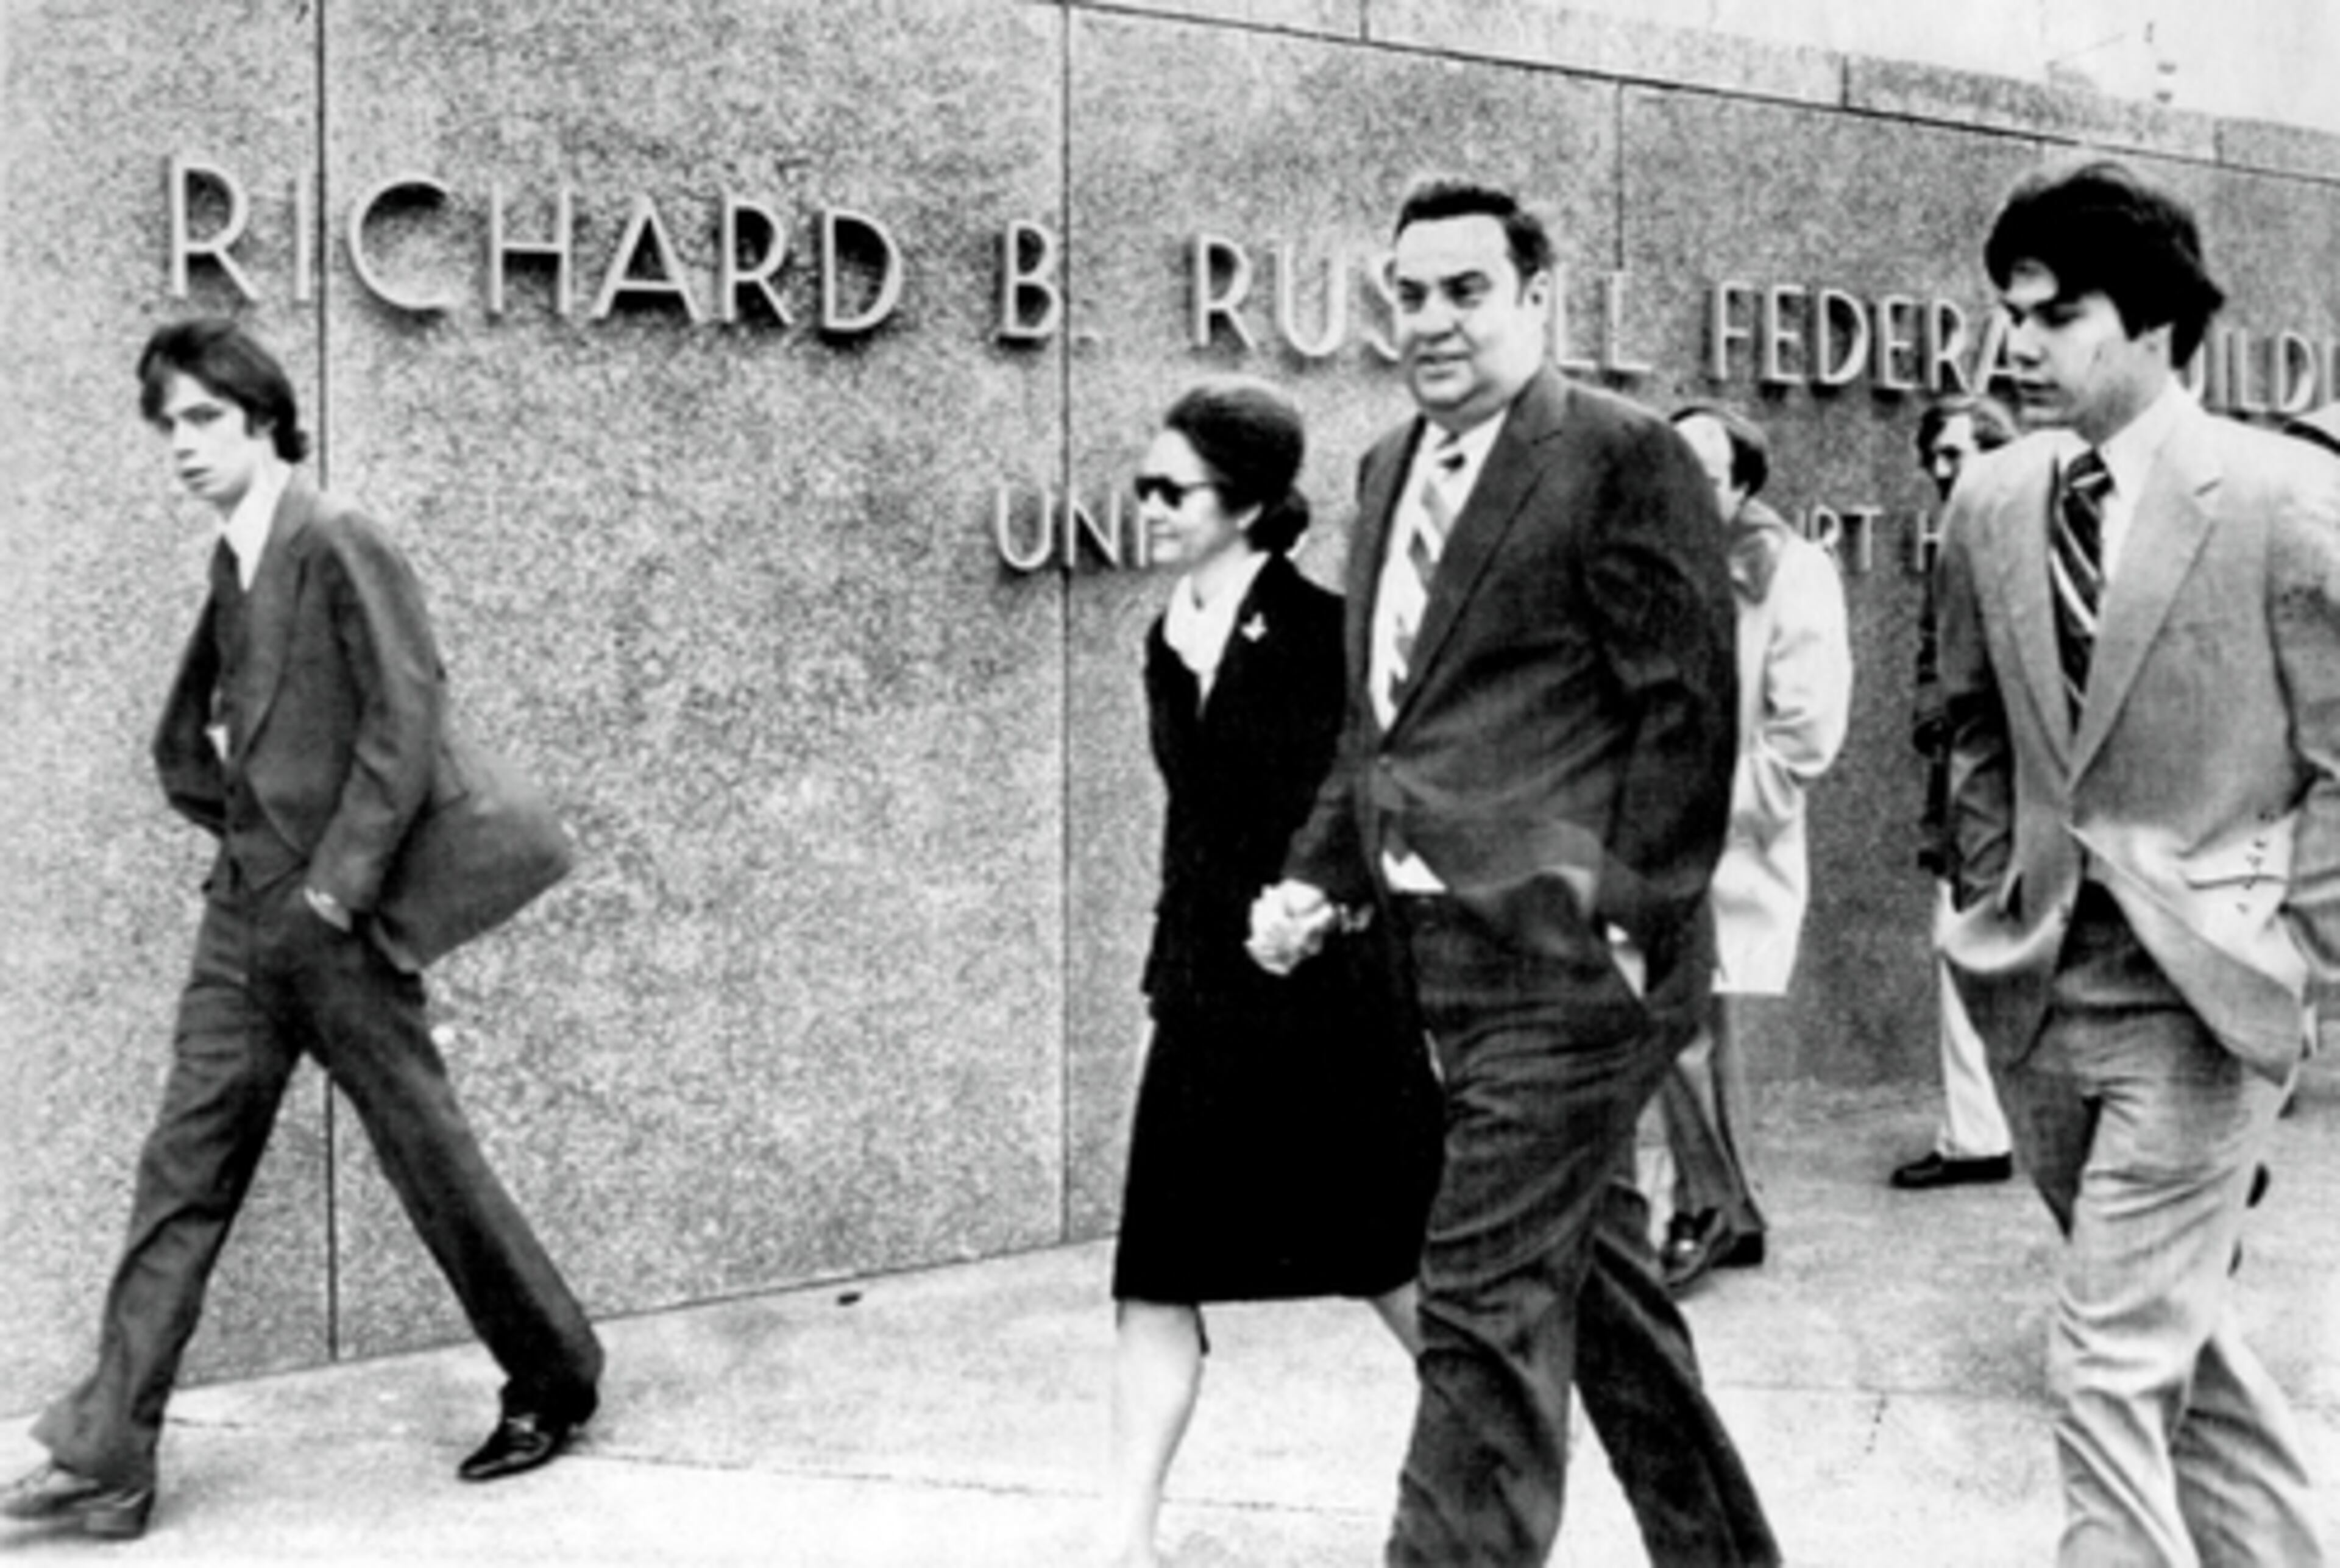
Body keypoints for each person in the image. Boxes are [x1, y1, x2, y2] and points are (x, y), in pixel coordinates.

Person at [2, 319, 603, 1542]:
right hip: (243, 922)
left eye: (203, 420)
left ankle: (554, 1374)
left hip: (327, 922)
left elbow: (407, 711)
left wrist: (336, 889)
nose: (180, 445)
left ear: (264, 419)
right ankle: (110, 1450)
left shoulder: (337, 539)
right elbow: (206, 733)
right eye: (166, 424)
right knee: (181, 1173)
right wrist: (236, 841)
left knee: (426, 1154)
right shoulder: (232, 559)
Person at [1249, 177, 1777, 1568]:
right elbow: (1386, 722)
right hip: (1434, 958)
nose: (1430, 321)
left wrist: (1626, 921)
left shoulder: (1622, 454)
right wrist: (1322, 874)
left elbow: (1688, 710)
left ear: (1538, 298)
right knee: (1607, 1306)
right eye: (1409, 294)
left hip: (1569, 972)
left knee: (1480, 1314)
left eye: (1465, 291)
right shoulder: (1385, 468)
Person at [1937, 159, 2336, 1565]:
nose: (2018, 348)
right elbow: (1970, 724)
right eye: (2010, 316)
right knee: (2184, 1357)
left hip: (2203, 1005)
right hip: (2038, 996)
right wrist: (1996, 890)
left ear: (2157, 323)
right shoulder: (1987, 503)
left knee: (2106, 1362)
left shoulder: (2286, 497)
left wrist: (2300, 956)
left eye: (2055, 317)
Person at [1105, 378, 1442, 1568]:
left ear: (1245, 506)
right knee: (1155, 1273)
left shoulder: (1315, 635)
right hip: (1202, 998)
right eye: (1142, 485)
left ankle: (1499, 1460)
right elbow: (1189, 840)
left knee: (1389, 1261)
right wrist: (1159, 999)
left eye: (1170, 490)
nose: (1146, 506)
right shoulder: (1167, 635)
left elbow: (1367, 812)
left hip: (1327, 1005)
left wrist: (1324, 908)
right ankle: (1126, 1537)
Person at [1653, 405, 1851, 1293]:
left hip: (1723, 839)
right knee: (1682, 1029)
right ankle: (1726, 1206)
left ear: (1741, 481)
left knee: (1684, 1026)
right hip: (1643, 838)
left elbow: (1805, 734)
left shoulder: (1791, 570)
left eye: (1703, 468)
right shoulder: (1650, 562)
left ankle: (1715, 1206)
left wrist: (1709, 814)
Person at [1889, 391, 2021, 1191]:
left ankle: (1985, 1135)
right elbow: (1935, 664)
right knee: (1966, 946)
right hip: (1973, 788)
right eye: (1935, 456)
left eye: (1958, 453)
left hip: (2007, 792)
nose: (1941, 471)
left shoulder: (2014, 540)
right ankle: (1979, 1133)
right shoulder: (1960, 543)